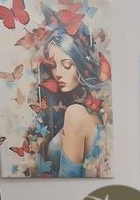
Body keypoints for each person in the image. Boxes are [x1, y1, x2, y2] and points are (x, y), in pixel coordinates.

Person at [42, 28, 105, 177]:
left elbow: (68, 176)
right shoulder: (87, 110)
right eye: (53, 66)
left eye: (66, 64)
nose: (58, 73)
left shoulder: (75, 113)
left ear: (80, 62)